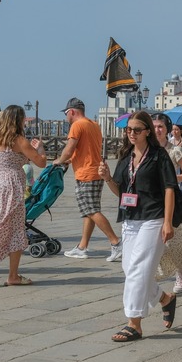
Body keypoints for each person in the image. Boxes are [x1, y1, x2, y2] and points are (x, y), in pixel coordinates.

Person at [98, 111, 178, 342]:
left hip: (153, 218)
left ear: (147, 132)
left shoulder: (158, 156)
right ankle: (164, 298)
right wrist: (107, 179)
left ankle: (134, 323)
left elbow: (170, 188)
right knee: (130, 269)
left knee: (138, 270)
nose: (131, 133)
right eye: (129, 130)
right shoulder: (125, 157)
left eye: (137, 130)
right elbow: (120, 191)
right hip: (130, 218)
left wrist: (168, 222)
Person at [0, 105, 47, 284]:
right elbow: (41, 163)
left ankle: (13, 276)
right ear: (18, 120)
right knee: (9, 224)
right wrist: (40, 149)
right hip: (10, 184)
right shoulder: (19, 140)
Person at [55, 98, 123, 261]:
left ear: (72, 111)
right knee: (89, 211)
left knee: (91, 210)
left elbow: (69, 148)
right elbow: (86, 149)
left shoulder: (77, 126)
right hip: (95, 171)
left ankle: (116, 243)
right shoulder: (93, 124)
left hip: (86, 173)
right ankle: (82, 247)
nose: (66, 117)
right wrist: (72, 159)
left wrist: (58, 160)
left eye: (66, 113)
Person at [151, 113, 182, 293]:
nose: (157, 130)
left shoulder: (175, 150)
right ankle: (150, 275)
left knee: (174, 240)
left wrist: (170, 179)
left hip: (171, 198)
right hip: (151, 200)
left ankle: (181, 273)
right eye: (154, 126)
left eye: (160, 127)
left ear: (167, 130)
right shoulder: (146, 149)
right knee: (152, 240)